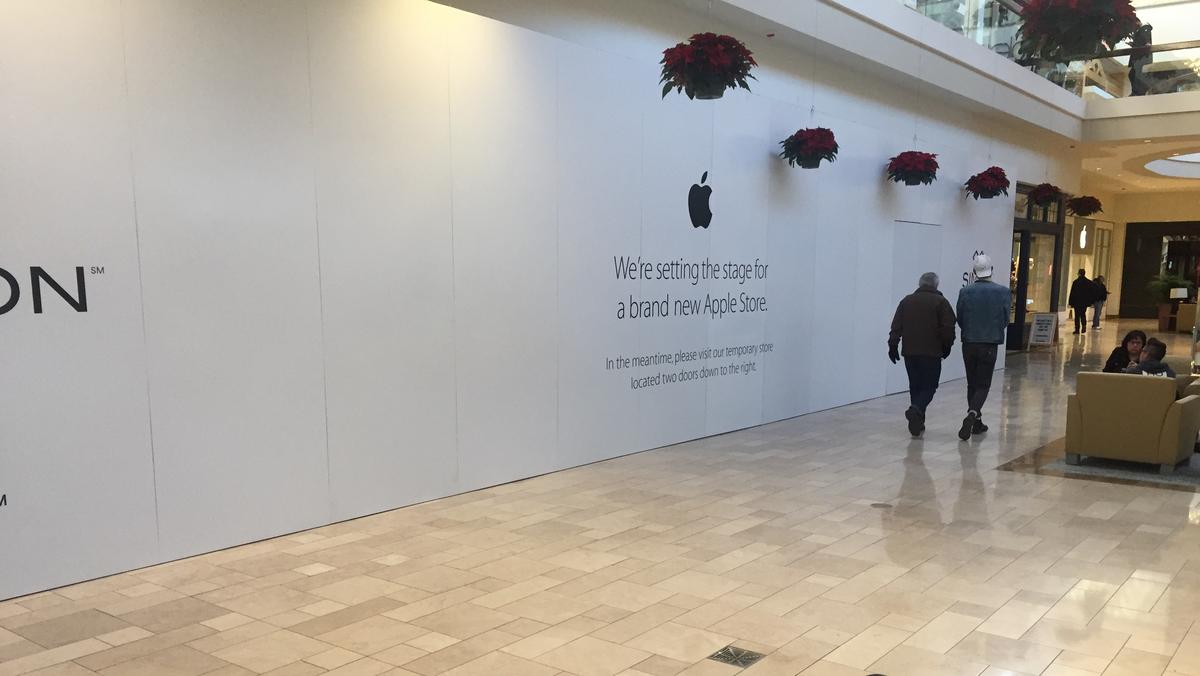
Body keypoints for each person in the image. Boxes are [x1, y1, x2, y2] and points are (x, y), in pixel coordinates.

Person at [889, 272, 957, 437]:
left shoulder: (907, 301)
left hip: (910, 352)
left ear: (920, 284)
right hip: (931, 352)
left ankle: (918, 422)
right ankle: (916, 410)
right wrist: (947, 346)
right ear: (936, 285)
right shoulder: (941, 302)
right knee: (930, 386)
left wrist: (893, 345)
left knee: (915, 385)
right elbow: (948, 328)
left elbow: (896, 325)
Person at [956, 254, 1011, 441]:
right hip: (989, 342)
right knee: (983, 383)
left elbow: (960, 317)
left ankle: (976, 422)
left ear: (974, 272)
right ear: (991, 270)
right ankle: (972, 414)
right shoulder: (1003, 292)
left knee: (972, 382)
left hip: (969, 342)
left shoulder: (966, 292)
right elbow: (1005, 318)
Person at [1068, 269, 1098, 335]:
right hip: (1084, 302)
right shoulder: (1089, 282)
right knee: (1083, 314)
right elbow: (1092, 293)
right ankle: (1084, 326)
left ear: (1079, 273)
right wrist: (1091, 301)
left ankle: (1077, 329)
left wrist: (1070, 302)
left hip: (1077, 302)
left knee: (1077, 316)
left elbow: (1072, 293)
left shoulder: (1075, 282)